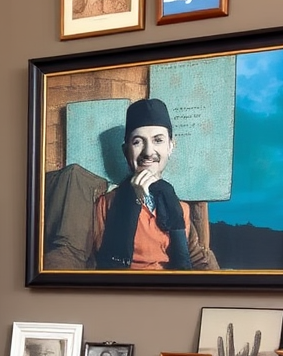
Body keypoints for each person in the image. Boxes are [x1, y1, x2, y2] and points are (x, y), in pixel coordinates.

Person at [93, 98, 217, 272]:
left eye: (158, 140)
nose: (148, 152)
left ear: (170, 147)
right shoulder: (106, 204)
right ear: (125, 150)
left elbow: (193, 259)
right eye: (138, 142)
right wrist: (132, 200)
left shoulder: (180, 207)